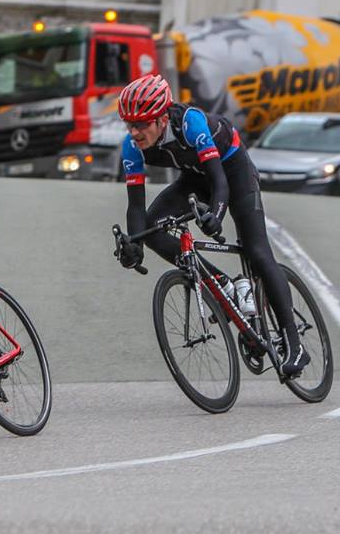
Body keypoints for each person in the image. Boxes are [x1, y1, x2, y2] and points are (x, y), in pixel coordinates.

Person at [113, 74, 310, 377]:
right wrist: (134, 245)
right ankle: (223, 283)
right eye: (129, 124)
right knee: (152, 226)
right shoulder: (132, 147)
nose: (134, 132)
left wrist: (216, 215)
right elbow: (136, 206)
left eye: (141, 124)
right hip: (194, 179)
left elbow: (219, 181)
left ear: (162, 118)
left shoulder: (190, 123)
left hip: (232, 172)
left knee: (257, 251)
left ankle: (294, 343)